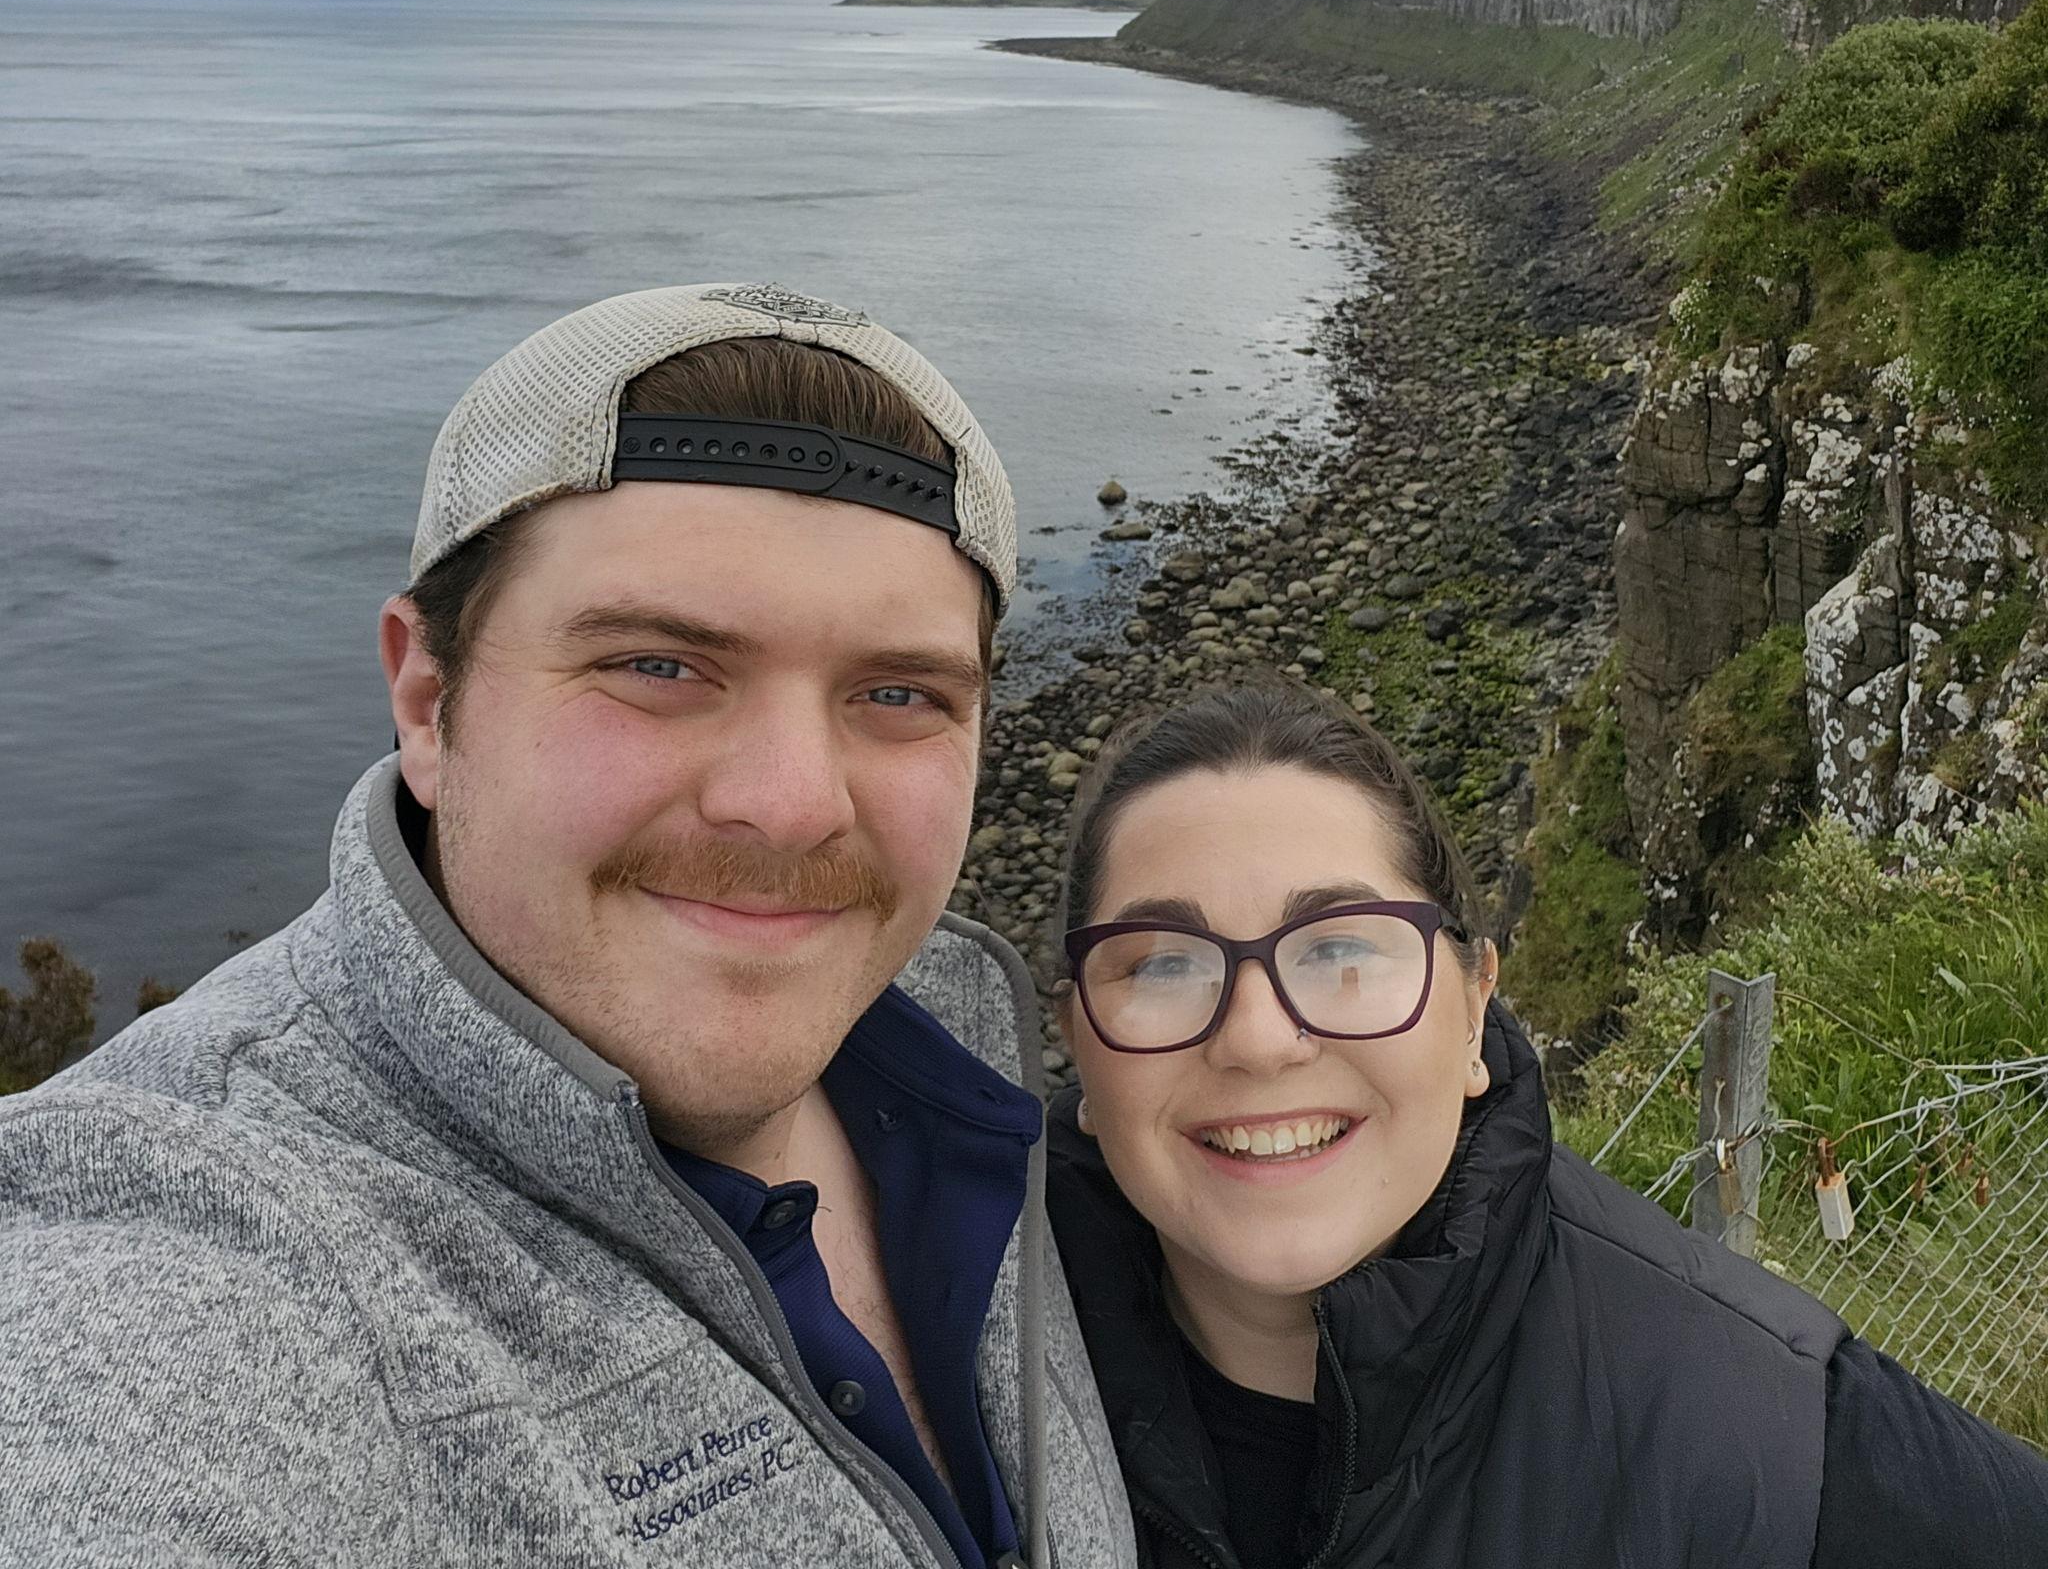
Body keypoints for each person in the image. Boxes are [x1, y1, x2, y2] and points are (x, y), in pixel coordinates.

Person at [0, 282, 1136, 1569]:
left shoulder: (978, 1066)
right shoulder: (193, 1263)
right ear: (428, 701)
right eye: (657, 664)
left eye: (897, 691)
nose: (789, 804)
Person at [1044, 676, 2048, 1569]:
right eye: (1164, 962)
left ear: (1474, 1005)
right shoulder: (946, 1383)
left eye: (1341, 950)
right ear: (1074, 1040)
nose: (1257, 1038)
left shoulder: (1771, 1439)